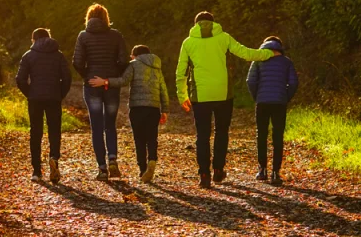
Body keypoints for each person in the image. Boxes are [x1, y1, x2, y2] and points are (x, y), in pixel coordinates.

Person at [176, 11, 276, 189]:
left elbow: (181, 72)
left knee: (203, 135)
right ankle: (218, 170)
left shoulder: (188, 42)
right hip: (223, 94)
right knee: (221, 132)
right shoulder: (223, 38)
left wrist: (182, 95)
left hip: (200, 96)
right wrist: (269, 54)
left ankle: (204, 174)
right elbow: (245, 53)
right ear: (213, 23)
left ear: (196, 24)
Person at [89, 44, 169, 183]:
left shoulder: (134, 64)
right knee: (152, 137)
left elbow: (123, 81)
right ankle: (152, 160)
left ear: (135, 55)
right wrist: (165, 110)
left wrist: (105, 81)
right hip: (153, 108)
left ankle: (143, 169)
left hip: (137, 108)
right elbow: (163, 89)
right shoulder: (157, 67)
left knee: (139, 139)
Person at [72, 3, 128, 180]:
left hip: (92, 86)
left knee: (96, 127)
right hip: (110, 84)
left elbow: (77, 62)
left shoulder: (83, 36)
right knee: (110, 125)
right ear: (106, 18)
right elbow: (123, 60)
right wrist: (112, 77)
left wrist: (88, 77)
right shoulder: (116, 35)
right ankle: (112, 158)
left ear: (89, 18)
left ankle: (102, 168)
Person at [16, 28, 72, 183]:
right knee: (54, 130)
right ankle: (54, 158)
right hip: (54, 97)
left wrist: (30, 93)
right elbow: (67, 78)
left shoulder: (28, 56)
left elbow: (20, 79)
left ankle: (36, 171)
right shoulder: (58, 55)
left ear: (34, 39)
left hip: (35, 99)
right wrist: (60, 94)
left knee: (36, 132)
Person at [246, 35, 298, 186]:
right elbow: (294, 82)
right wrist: (285, 97)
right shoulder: (286, 62)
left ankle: (262, 170)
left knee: (261, 135)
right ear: (279, 47)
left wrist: (257, 96)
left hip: (262, 102)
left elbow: (250, 81)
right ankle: (276, 172)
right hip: (279, 103)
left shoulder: (258, 60)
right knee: (278, 136)